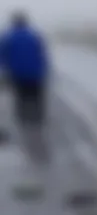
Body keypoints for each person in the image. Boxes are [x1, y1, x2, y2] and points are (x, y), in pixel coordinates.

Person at [0, 11, 49, 165]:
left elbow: (2, 56)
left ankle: (23, 117)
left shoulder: (8, 37)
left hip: (18, 74)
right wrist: (44, 70)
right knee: (36, 96)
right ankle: (37, 117)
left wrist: (5, 71)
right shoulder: (35, 36)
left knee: (21, 97)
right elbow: (42, 54)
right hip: (36, 74)